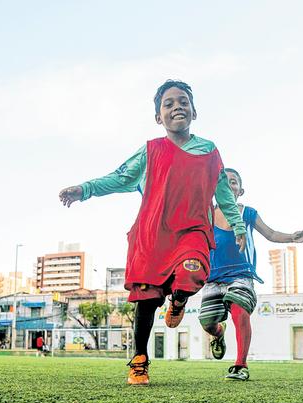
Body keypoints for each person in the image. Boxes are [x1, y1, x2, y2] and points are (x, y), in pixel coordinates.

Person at [59, 79, 246, 386]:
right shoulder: (150, 151)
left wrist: (237, 224)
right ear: (159, 117)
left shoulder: (209, 151)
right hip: (152, 234)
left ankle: (179, 299)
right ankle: (140, 359)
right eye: (168, 103)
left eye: (183, 101)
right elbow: (119, 178)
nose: (177, 107)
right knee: (146, 300)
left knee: (191, 272)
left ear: (194, 111)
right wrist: (85, 189)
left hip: (192, 231)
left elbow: (223, 191)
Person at [199, 169, 303, 380]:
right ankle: (219, 333)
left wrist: (292, 237)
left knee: (239, 310)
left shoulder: (248, 213)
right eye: (222, 182)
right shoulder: (206, 214)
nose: (227, 185)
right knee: (207, 322)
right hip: (213, 277)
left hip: (241, 273)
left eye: (233, 182)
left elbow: (270, 234)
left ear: (240, 191)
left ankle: (240, 365)